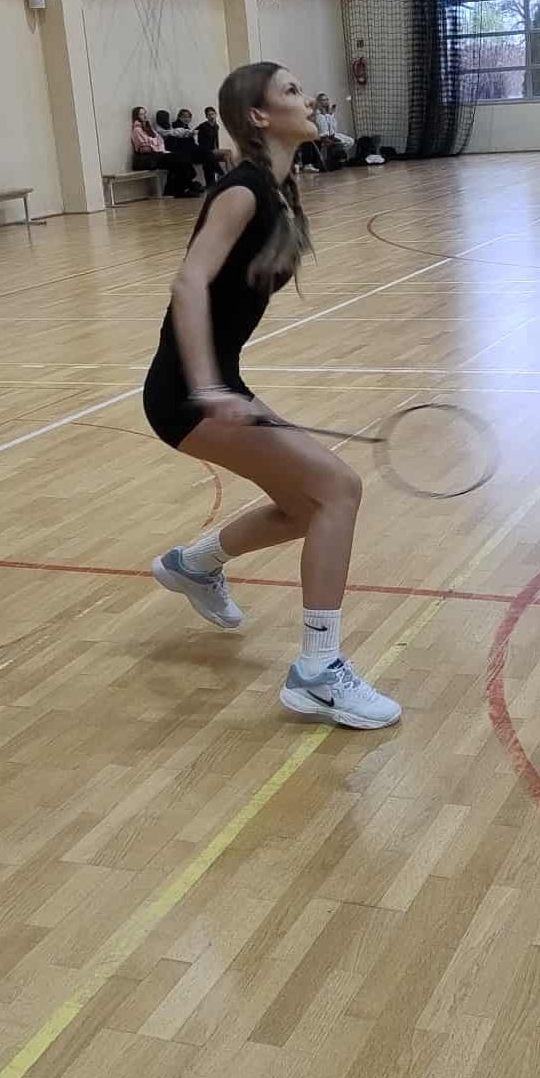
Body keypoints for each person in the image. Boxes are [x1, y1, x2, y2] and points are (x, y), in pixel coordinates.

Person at [144, 61, 400, 729]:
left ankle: (194, 565)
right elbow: (188, 282)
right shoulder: (243, 192)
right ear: (258, 116)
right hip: (187, 392)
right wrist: (208, 385)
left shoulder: (281, 191)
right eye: (290, 91)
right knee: (338, 491)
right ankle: (318, 672)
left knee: (303, 507)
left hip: (216, 383)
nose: (306, 97)